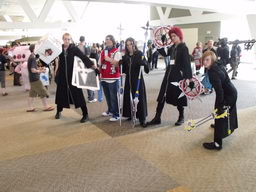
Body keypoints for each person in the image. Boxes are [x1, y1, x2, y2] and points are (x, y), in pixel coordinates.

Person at [147, 26, 193, 126]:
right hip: (168, 75)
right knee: (162, 95)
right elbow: (166, 53)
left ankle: (181, 116)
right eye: (171, 36)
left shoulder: (183, 48)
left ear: (179, 36)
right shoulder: (172, 47)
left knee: (179, 97)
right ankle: (157, 117)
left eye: (174, 36)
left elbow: (186, 64)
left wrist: (188, 78)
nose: (172, 38)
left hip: (178, 77)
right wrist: (158, 45)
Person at [55, 33, 98, 123]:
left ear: (70, 40)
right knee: (60, 94)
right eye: (65, 39)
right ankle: (58, 111)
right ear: (62, 39)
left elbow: (83, 57)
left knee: (78, 94)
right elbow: (51, 57)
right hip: (62, 76)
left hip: (73, 76)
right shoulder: (59, 49)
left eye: (68, 39)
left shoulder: (74, 49)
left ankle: (85, 114)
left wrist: (94, 67)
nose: (67, 41)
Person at [202, 51, 238, 150]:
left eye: (207, 60)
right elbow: (221, 81)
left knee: (219, 114)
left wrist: (220, 106)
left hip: (228, 95)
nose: (204, 62)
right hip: (231, 91)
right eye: (204, 60)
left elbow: (220, 91)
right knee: (220, 115)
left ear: (212, 60)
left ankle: (217, 144)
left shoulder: (213, 72)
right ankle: (219, 126)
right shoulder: (217, 65)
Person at [120, 37, 149, 127]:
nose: (129, 47)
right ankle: (131, 114)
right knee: (128, 97)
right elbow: (124, 70)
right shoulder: (126, 56)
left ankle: (142, 118)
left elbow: (147, 69)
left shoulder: (139, 54)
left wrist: (144, 63)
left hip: (138, 80)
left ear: (134, 44)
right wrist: (121, 62)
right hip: (129, 80)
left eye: (130, 44)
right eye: (127, 45)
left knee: (139, 98)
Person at [99, 35, 121, 121]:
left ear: (113, 41)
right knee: (107, 96)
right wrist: (99, 74)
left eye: (109, 39)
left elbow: (118, 64)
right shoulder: (103, 51)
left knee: (114, 96)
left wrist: (109, 59)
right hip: (104, 77)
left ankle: (116, 114)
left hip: (113, 78)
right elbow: (100, 63)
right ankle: (110, 110)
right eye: (106, 39)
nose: (107, 41)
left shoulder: (116, 52)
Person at [27, 44, 54, 112]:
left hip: (32, 78)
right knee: (43, 91)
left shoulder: (31, 57)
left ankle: (30, 107)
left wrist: (40, 68)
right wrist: (40, 71)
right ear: (33, 49)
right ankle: (45, 106)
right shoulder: (32, 58)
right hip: (35, 78)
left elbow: (33, 68)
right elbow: (33, 70)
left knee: (32, 94)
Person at [77, 36, 97, 103]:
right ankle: (91, 98)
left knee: (79, 83)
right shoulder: (86, 47)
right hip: (86, 67)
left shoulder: (76, 47)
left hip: (78, 67)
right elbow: (87, 58)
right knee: (89, 82)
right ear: (84, 40)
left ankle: (78, 98)